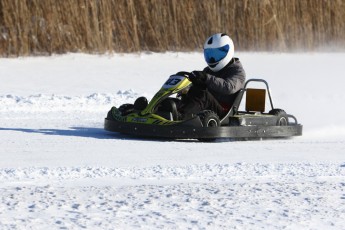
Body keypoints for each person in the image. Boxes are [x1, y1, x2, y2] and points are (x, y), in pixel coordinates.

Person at [177, 33, 246, 119]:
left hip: (223, 112)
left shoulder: (238, 71)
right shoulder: (208, 70)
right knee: (190, 92)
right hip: (208, 111)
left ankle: (181, 117)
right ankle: (169, 112)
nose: (213, 59)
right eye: (210, 54)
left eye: (217, 54)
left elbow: (229, 87)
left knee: (203, 95)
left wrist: (206, 78)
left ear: (228, 51)